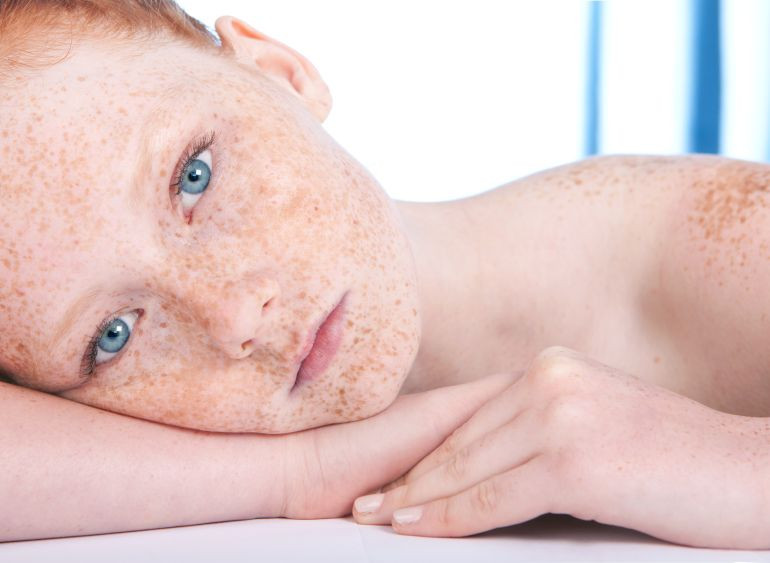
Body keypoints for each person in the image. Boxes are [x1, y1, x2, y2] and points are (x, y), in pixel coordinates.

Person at [1, 0, 768, 549]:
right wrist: (295, 473)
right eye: (113, 335)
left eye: (194, 176)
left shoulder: (709, 243)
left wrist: (725, 459)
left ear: (282, 72)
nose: (231, 314)